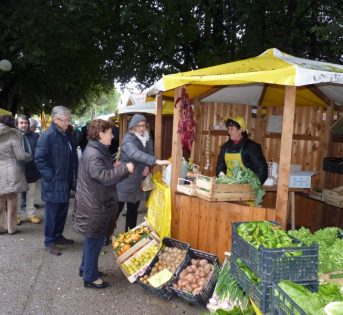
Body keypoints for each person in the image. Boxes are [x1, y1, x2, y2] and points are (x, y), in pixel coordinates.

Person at [73, 119, 134, 289]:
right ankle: (90, 278)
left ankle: (86, 269)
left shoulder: (96, 150)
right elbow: (103, 177)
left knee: (93, 240)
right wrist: (124, 169)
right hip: (95, 205)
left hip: (96, 202)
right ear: (100, 134)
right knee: (95, 240)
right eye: (109, 133)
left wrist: (113, 166)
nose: (112, 136)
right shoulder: (94, 153)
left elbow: (100, 172)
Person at [35, 106, 78, 256]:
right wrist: (51, 176)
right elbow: (40, 159)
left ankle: (58, 236)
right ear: (55, 119)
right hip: (54, 182)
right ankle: (49, 241)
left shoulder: (65, 134)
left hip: (65, 181)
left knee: (62, 212)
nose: (67, 122)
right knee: (52, 214)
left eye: (68, 119)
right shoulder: (48, 136)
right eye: (64, 120)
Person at [116, 114, 170, 232]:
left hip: (138, 179)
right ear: (133, 126)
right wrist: (155, 161)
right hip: (125, 178)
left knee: (133, 209)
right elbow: (134, 153)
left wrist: (148, 165)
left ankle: (129, 236)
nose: (141, 128)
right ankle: (105, 234)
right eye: (138, 126)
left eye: (143, 125)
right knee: (117, 209)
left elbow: (149, 152)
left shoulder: (147, 137)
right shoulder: (128, 138)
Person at [0, 115, 31, 234]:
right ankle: (11, 228)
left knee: (0, 200)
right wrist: (29, 156)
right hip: (11, 170)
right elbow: (20, 155)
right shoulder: (13, 134)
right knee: (12, 199)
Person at [216, 116, 268, 185]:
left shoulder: (252, 147)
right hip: (228, 188)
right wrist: (221, 174)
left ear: (240, 130)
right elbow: (220, 166)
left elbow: (262, 170)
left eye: (231, 129)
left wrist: (253, 186)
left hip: (246, 190)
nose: (228, 132)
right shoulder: (225, 147)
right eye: (228, 129)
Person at [16, 115, 41, 224]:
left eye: (26, 123)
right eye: (21, 123)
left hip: (31, 169)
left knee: (30, 193)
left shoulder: (35, 136)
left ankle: (30, 214)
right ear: (17, 124)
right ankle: (15, 216)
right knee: (15, 195)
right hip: (15, 170)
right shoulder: (12, 136)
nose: (24, 125)